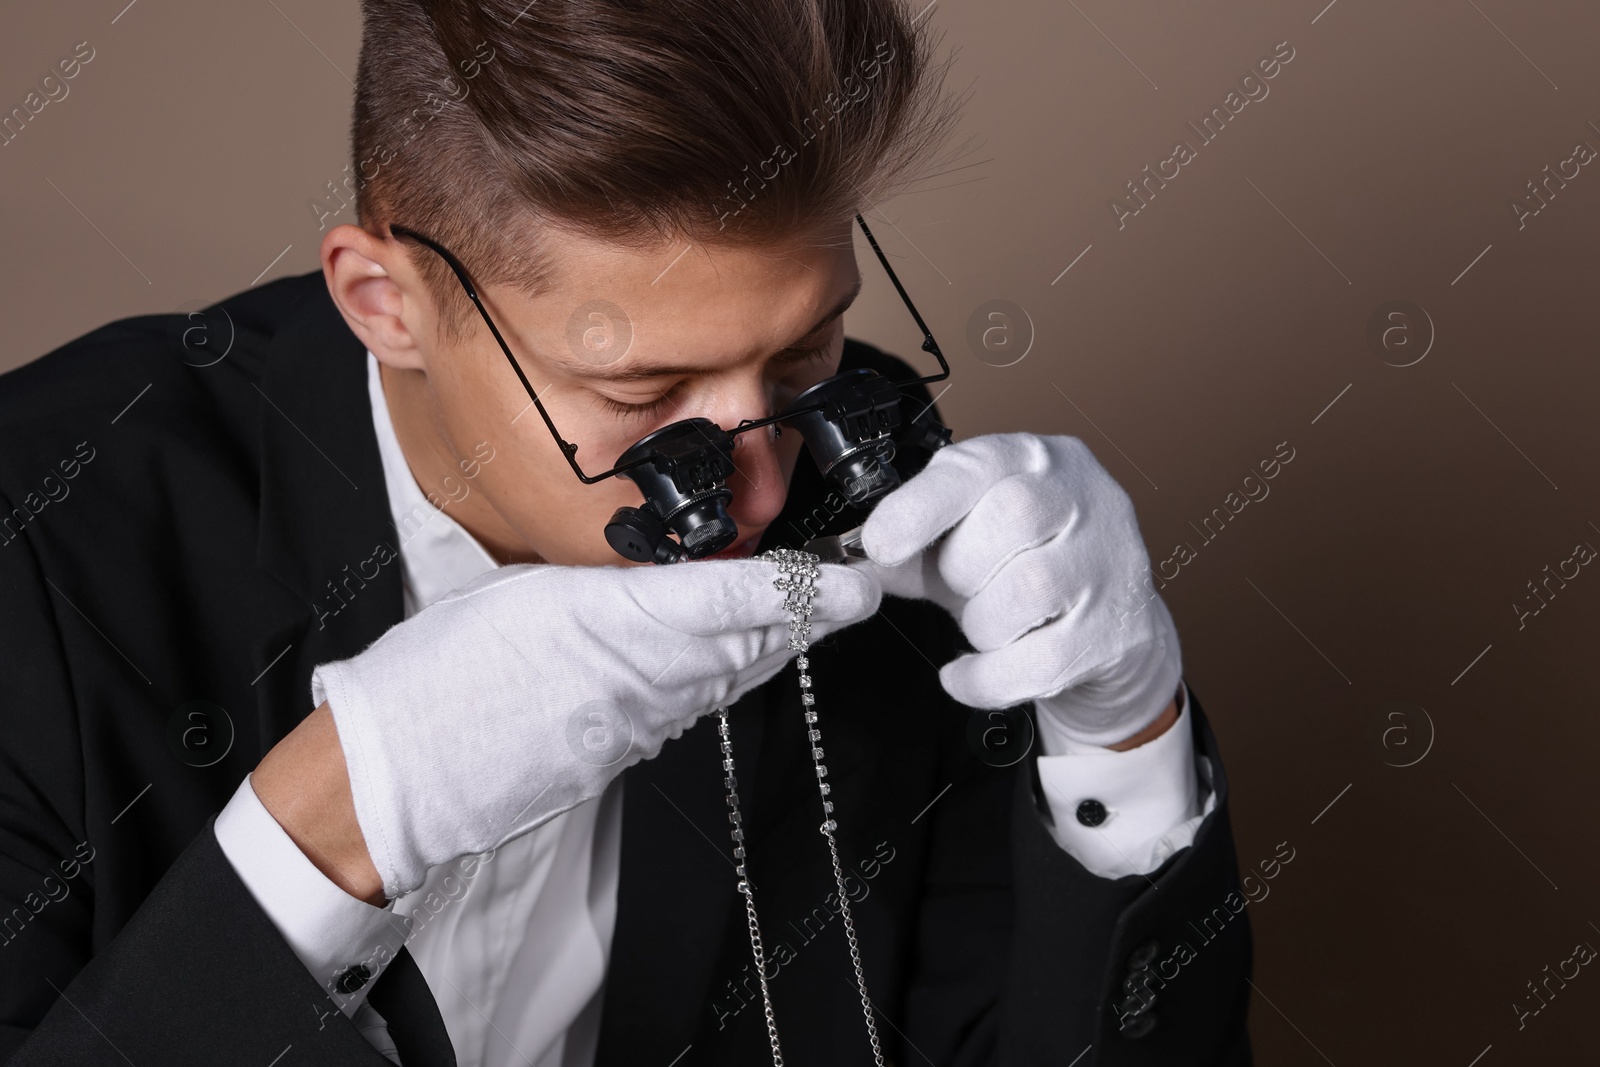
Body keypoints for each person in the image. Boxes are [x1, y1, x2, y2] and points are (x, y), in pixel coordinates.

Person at [0, 0, 1252, 1063]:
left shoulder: (858, 476)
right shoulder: (40, 540)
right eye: (644, 397)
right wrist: (326, 833)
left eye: (803, 346)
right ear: (385, 303)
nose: (761, 495)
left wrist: (1120, 739)